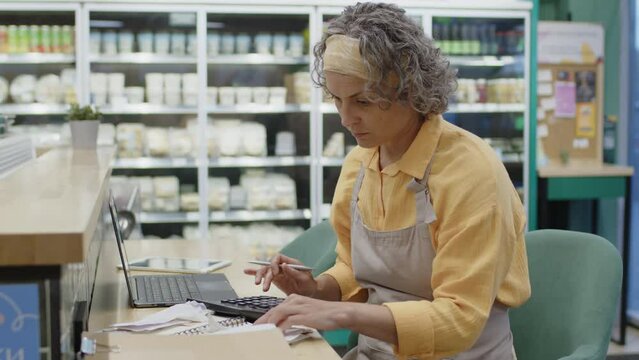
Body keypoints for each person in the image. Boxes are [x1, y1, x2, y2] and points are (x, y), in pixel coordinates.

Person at [244, 3, 531, 359]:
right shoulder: (360, 164)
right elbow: (354, 270)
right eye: (337, 99)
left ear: (410, 89)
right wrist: (318, 289)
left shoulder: (471, 175)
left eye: (362, 101)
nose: (346, 118)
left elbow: (460, 319)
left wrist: (342, 314)